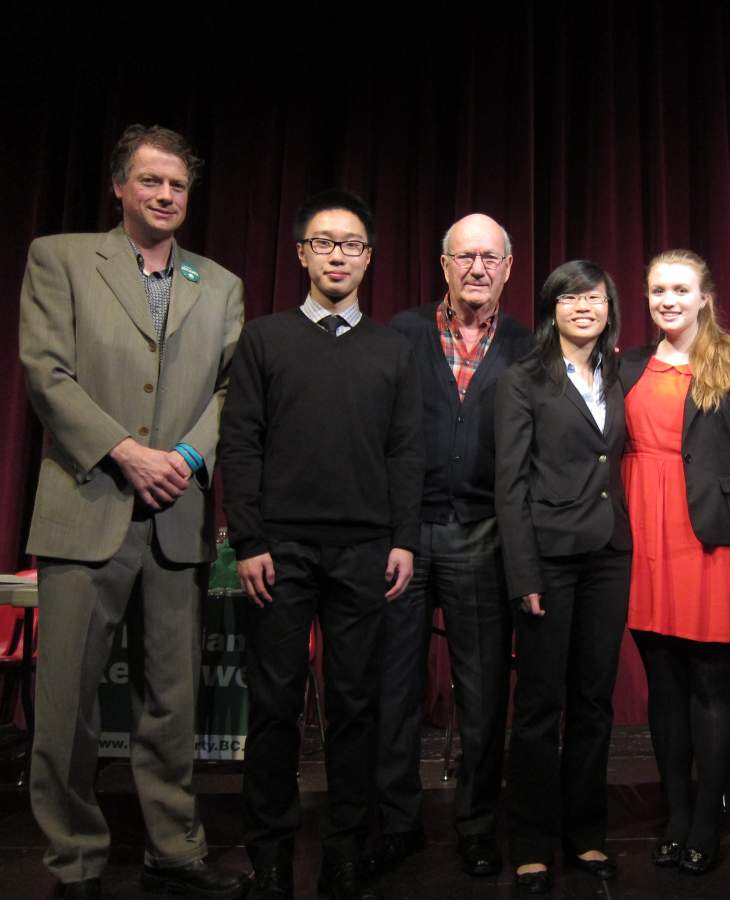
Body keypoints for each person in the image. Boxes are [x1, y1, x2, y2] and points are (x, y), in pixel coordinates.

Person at [18, 124, 247, 900]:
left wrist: (183, 457)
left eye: (178, 185)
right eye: (151, 181)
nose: (165, 195)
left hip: (177, 514)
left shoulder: (220, 284)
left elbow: (230, 391)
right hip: (88, 505)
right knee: (66, 705)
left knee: (173, 703)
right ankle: (75, 859)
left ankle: (174, 852)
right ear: (119, 186)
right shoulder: (60, 258)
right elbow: (46, 372)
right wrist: (124, 451)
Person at [220, 190, 423, 900]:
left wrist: (403, 540)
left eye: (352, 244)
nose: (339, 255)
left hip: (365, 551)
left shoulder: (394, 350)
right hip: (280, 552)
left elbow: (406, 451)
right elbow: (241, 442)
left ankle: (345, 849)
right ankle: (270, 856)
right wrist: (249, 538)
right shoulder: (264, 339)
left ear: (369, 259)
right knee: (274, 706)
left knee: (356, 706)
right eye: (325, 242)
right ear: (303, 253)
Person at [373, 214, 532, 878]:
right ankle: (396, 823)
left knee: (483, 693)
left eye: (489, 258)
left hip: (484, 534)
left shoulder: (528, 346)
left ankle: (476, 825)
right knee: (394, 686)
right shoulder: (400, 334)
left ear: (508, 268)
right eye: (464, 257)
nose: (477, 269)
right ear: (444, 265)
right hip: (405, 536)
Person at [619, 249, 730, 875]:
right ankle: (676, 814)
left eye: (681, 289)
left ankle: (708, 818)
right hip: (644, 542)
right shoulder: (627, 364)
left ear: (705, 297)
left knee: (711, 684)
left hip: (714, 544)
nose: (668, 300)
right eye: (658, 289)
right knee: (664, 685)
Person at [495, 260, 631, 894]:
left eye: (594, 298)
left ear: (609, 308)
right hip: (546, 559)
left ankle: (586, 832)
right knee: (539, 706)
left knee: (594, 702)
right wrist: (522, 571)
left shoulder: (622, 371)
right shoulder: (523, 378)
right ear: (552, 308)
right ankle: (530, 841)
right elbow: (510, 484)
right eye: (571, 297)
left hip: (609, 555)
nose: (584, 307)